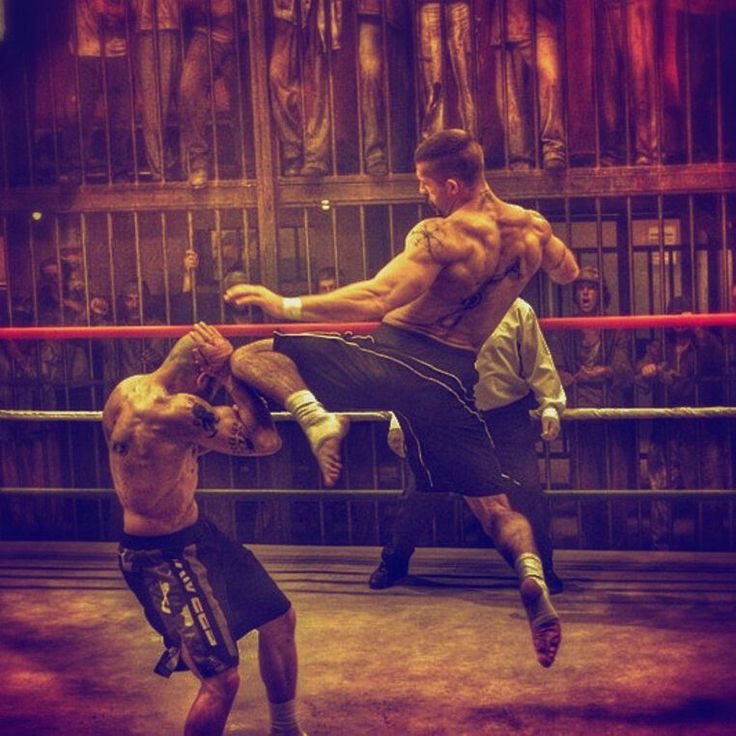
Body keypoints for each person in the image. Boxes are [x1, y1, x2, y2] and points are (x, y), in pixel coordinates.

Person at [224, 129, 579, 668]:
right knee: (495, 508)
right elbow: (567, 270)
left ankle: (316, 419)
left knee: (248, 357)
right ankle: (530, 576)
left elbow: (379, 295)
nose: (425, 196)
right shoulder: (534, 229)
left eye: (427, 186)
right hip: (455, 379)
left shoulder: (445, 234)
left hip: (395, 357)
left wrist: (284, 302)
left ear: (453, 184)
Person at [104, 322, 307, 736]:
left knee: (279, 618)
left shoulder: (127, 389)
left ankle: (285, 730)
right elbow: (266, 441)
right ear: (202, 376)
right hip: (160, 555)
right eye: (209, 382)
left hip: (197, 533)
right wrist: (232, 375)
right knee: (221, 680)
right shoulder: (174, 411)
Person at [370, 297, 566, 594]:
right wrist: (399, 420)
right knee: (420, 494)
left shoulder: (516, 309)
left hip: (504, 416)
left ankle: (542, 570)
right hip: (446, 413)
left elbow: (538, 362)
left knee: (526, 493)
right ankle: (394, 562)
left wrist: (550, 405)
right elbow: (410, 369)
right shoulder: (431, 307)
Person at [548, 265, 636, 548]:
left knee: (615, 479)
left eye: (591, 288)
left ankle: (617, 541)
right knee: (585, 480)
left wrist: (596, 373)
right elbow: (555, 368)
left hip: (610, 413)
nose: (585, 292)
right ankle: (590, 541)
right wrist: (570, 377)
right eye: (581, 288)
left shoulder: (614, 327)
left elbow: (623, 369)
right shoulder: (566, 329)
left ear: (601, 293)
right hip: (581, 414)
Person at [637, 294, 726, 550]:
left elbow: (717, 360)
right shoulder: (660, 346)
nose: (678, 320)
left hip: (700, 428)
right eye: (673, 315)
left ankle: (712, 551)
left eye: (684, 314)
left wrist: (697, 327)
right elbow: (641, 368)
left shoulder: (704, 343)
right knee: (661, 492)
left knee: (707, 492)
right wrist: (647, 369)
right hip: (667, 428)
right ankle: (661, 550)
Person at [269, 0, 342, 177]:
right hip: (288, 12)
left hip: (321, 12)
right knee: (277, 75)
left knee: (319, 83)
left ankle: (316, 156)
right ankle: (292, 149)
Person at [490, 0, 566, 171]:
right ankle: (519, 157)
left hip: (541, 22)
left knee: (551, 80)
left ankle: (552, 147)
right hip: (505, 25)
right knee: (509, 96)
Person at [131, 0, 182, 182]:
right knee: (153, 108)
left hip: (178, 28)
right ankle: (160, 169)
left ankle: (183, 164)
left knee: (185, 99)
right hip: (147, 31)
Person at [416, 1, 477, 140]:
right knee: (434, 90)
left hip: (458, 6)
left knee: (467, 86)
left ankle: (471, 145)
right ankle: (435, 147)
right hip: (429, 7)